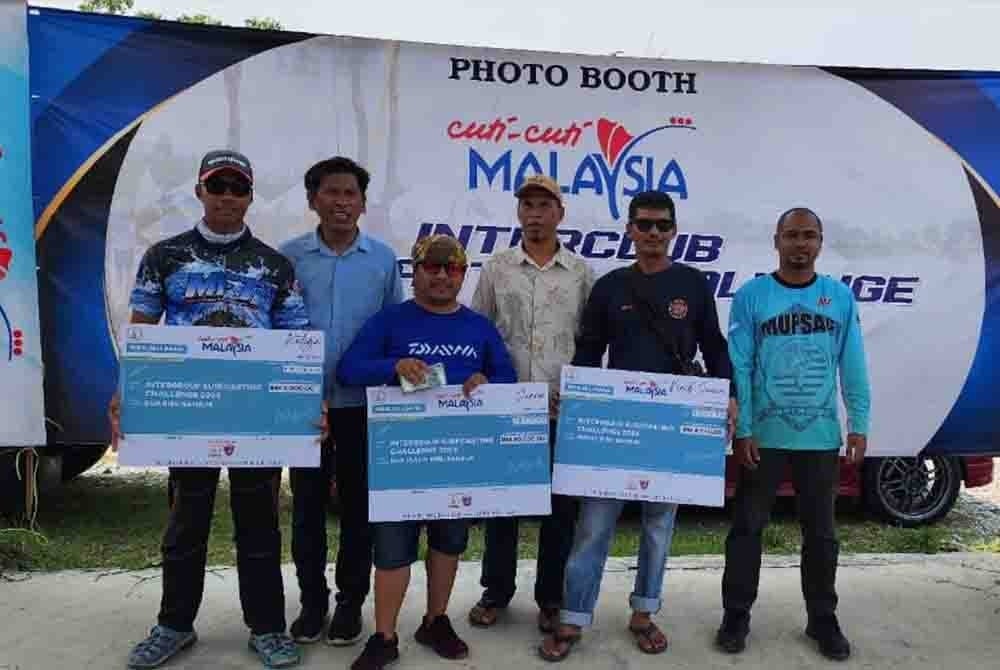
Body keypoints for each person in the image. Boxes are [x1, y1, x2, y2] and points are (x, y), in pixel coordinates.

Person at [109, 150, 318, 669]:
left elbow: (296, 343)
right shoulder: (166, 256)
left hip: (258, 417)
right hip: (188, 413)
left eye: (237, 187)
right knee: (186, 523)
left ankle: (267, 627)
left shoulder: (275, 265)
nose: (227, 196)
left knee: (260, 525)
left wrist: (309, 407)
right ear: (200, 191)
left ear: (249, 196)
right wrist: (124, 392)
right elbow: (142, 331)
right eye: (217, 185)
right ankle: (174, 625)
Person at [539, 190, 737, 662]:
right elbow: (588, 351)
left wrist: (730, 396)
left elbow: (714, 346)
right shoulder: (610, 288)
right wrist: (576, 397)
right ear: (628, 229)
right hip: (618, 425)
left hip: (672, 425)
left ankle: (644, 612)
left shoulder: (692, 284)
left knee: (657, 526)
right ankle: (573, 617)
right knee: (593, 526)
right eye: (643, 225)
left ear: (674, 231)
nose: (652, 234)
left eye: (661, 226)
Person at [337, 234, 518, 670]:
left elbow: (508, 377)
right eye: (431, 267)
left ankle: (435, 620)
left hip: (458, 456)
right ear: (414, 272)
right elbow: (348, 370)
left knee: (449, 542)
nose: (441, 275)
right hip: (400, 455)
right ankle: (384, 636)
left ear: (462, 275)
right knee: (393, 548)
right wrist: (392, 366)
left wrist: (487, 383)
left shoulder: (478, 326)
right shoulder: (390, 321)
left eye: (451, 268)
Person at [715, 207, 870, 661]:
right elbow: (739, 365)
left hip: (819, 437)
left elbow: (853, 364)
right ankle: (736, 615)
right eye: (792, 236)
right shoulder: (752, 296)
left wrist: (859, 422)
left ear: (820, 243)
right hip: (764, 435)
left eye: (810, 236)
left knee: (822, 534)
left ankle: (823, 618)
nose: (800, 244)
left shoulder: (839, 298)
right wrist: (743, 429)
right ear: (776, 240)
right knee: (746, 528)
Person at [280, 157, 404, 647]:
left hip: (361, 407)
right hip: (302, 407)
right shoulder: (288, 258)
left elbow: (394, 333)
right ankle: (313, 604)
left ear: (362, 203)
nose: (341, 202)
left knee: (357, 510)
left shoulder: (382, 260)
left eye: (350, 194)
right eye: (330, 193)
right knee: (307, 508)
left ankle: (350, 603)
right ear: (313, 200)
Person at [468, 175, 594, 633]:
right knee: (503, 507)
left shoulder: (580, 272)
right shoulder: (497, 268)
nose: (536, 213)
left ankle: (551, 598)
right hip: (508, 407)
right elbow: (478, 332)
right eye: (528, 205)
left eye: (545, 205)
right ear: (519, 213)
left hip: (563, 410)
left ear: (560, 213)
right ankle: (496, 592)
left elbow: (591, 340)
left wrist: (580, 385)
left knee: (560, 512)